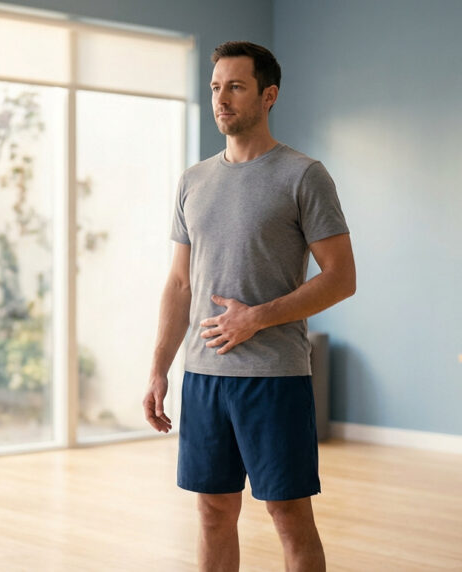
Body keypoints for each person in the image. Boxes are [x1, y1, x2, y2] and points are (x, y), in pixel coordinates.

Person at [143, 41, 355, 572]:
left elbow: (341, 278)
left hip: (274, 377)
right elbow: (178, 284)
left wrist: (256, 317)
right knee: (213, 512)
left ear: (269, 95)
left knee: (288, 515)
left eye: (236, 86)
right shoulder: (193, 180)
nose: (222, 99)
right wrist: (158, 370)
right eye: (216, 87)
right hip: (204, 375)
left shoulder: (304, 176)